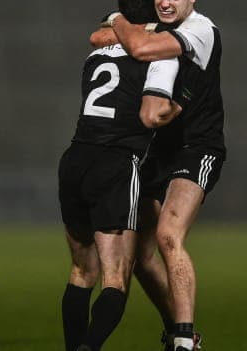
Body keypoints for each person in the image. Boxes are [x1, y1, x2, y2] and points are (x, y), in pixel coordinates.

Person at [96, 1, 226, 350]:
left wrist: (118, 19)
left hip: (197, 147)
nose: (165, 1)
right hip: (159, 150)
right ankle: (177, 333)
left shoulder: (201, 29)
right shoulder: (158, 24)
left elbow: (136, 46)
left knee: (169, 234)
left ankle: (183, 338)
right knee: (140, 256)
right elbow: (97, 38)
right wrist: (127, 27)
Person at [58, 1, 183, 350]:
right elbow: (154, 113)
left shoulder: (96, 54)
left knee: (82, 271)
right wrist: (178, 108)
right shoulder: (155, 55)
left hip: (74, 160)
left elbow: (100, 34)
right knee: (116, 279)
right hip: (114, 163)